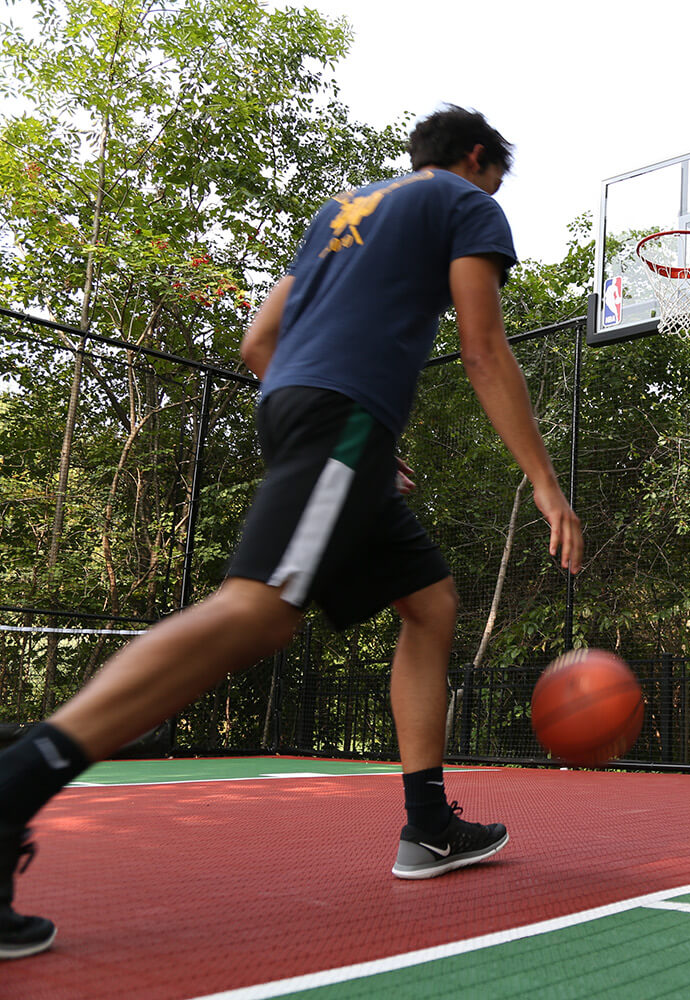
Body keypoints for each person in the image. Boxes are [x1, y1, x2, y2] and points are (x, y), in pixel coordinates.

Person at [0, 105, 582, 959]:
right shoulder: (463, 203)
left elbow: (258, 340)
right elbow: (482, 347)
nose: (496, 191)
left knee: (430, 601)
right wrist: (543, 481)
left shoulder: (341, 212)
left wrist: (344, 424)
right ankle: (18, 778)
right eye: (496, 175)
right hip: (344, 423)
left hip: (317, 416)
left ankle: (428, 828)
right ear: (474, 157)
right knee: (262, 609)